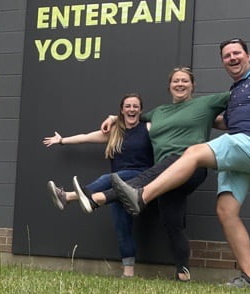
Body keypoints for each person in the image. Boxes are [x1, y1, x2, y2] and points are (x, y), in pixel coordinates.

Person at [107, 38, 250, 288]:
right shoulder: (234, 93)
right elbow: (224, 123)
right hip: (242, 156)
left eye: (237, 53)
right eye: (227, 56)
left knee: (193, 153)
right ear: (223, 62)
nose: (232, 58)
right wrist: (117, 118)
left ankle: (142, 196)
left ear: (248, 56)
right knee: (226, 212)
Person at [79, 67, 230, 281]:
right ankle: (183, 274)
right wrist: (114, 117)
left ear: (192, 85)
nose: (180, 84)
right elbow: (132, 118)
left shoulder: (205, 104)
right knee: (172, 223)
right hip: (166, 176)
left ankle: (98, 198)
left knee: (152, 174)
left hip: (191, 165)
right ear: (169, 86)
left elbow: (238, 94)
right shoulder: (159, 112)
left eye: (184, 81)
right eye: (176, 81)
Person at [43, 93, 153, 277]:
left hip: (140, 178)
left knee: (111, 177)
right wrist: (62, 140)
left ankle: (68, 196)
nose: (131, 109)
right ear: (122, 109)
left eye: (135, 106)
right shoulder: (115, 131)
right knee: (122, 226)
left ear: (141, 110)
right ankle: (128, 273)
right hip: (119, 187)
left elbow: (165, 123)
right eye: (128, 106)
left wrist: (112, 117)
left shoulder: (148, 128)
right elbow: (86, 137)